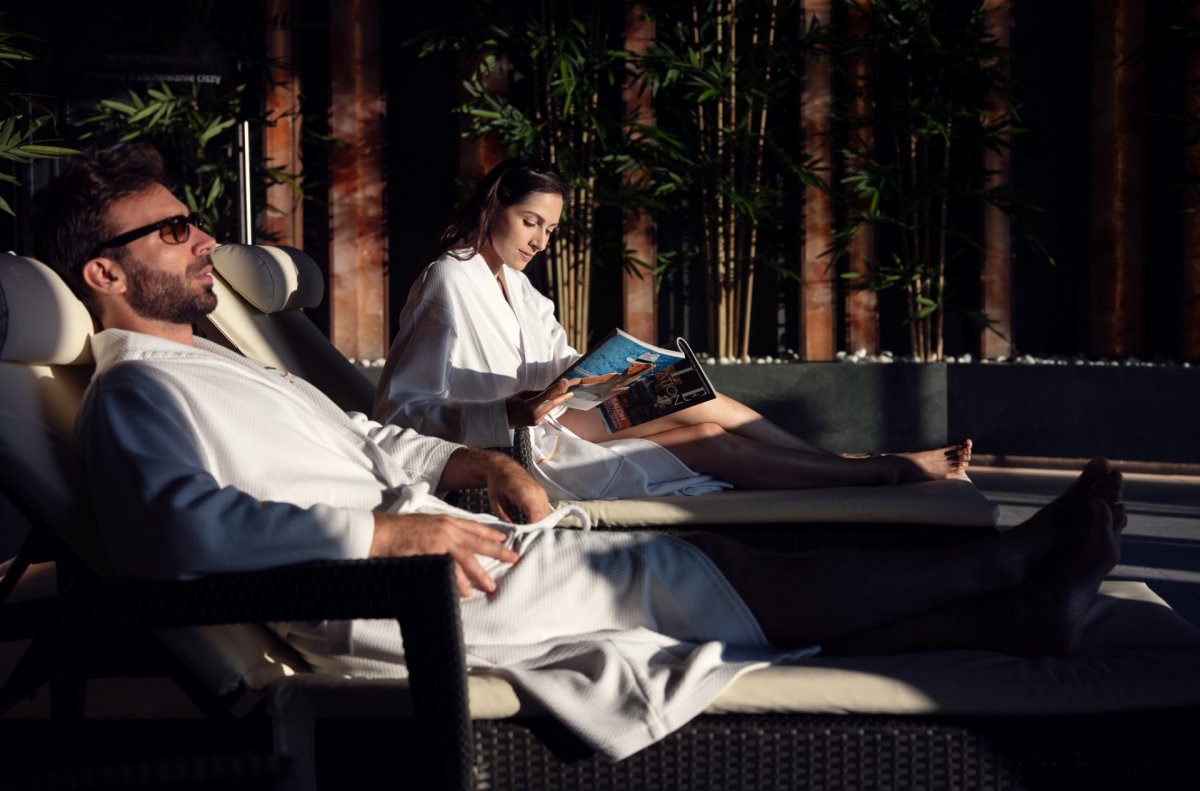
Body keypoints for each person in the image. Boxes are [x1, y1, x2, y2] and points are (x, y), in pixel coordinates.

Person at [33, 143, 1125, 762]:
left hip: (459, 526)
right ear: (104, 274)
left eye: (193, 221)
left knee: (689, 450)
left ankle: (1007, 601)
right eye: (171, 231)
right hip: (398, 594)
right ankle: (999, 557)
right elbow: (173, 536)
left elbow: (366, 432)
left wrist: (471, 470)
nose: (203, 240)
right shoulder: (137, 392)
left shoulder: (219, 366)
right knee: (710, 566)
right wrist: (394, 528)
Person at [374, 155, 973, 502]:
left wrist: (609, 372)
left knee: (692, 392)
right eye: (531, 221)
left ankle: (854, 464)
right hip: (516, 447)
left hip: (561, 420)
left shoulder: (520, 286)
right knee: (708, 439)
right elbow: (399, 413)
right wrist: (506, 412)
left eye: (550, 230)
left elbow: (557, 363)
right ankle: (874, 471)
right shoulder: (448, 280)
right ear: (493, 205)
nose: (540, 241)